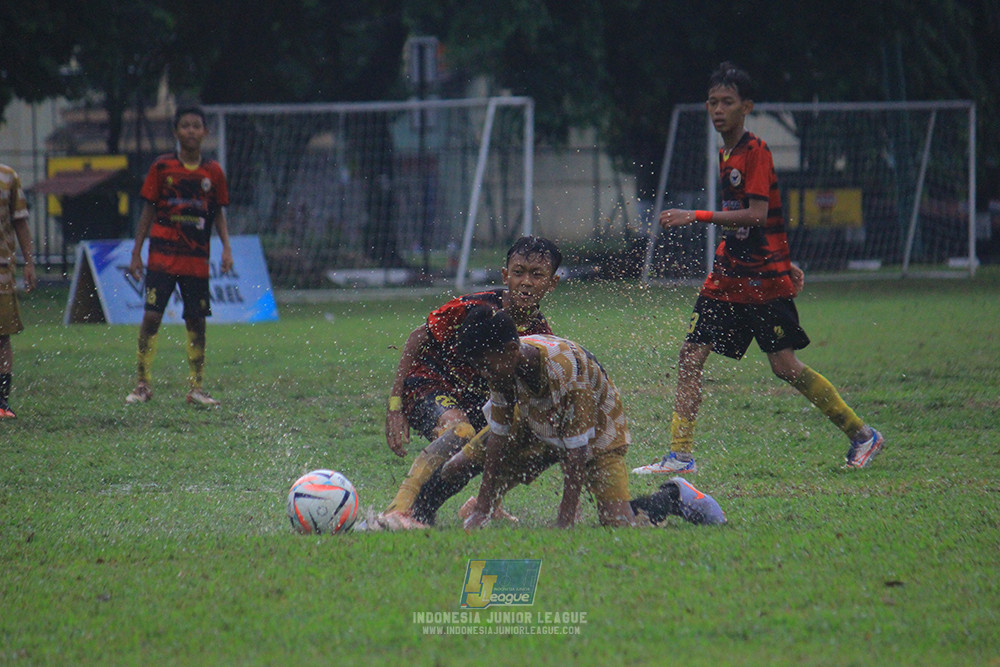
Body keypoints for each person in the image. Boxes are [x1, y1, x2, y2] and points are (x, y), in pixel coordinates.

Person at [632, 62, 884, 475]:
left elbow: (754, 215)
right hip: (730, 274)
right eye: (712, 102)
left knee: (784, 367)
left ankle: (862, 434)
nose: (717, 110)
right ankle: (680, 456)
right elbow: (761, 221)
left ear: (746, 107)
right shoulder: (726, 152)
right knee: (691, 355)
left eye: (727, 102)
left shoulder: (757, 152)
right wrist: (787, 258)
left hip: (762, 281)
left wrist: (695, 215)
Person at [387, 307, 727, 531]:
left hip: (597, 433)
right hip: (535, 418)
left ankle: (672, 495)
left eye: (485, 365)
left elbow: (575, 454)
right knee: (461, 462)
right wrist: (484, 509)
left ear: (510, 350)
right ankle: (418, 517)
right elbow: (499, 438)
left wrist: (564, 521)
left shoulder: (565, 373)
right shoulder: (502, 366)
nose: (483, 374)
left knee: (618, 523)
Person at [380, 236, 561, 525]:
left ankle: (485, 504)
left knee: (511, 435)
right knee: (460, 431)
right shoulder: (475, 306)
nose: (526, 282)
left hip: (478, 402)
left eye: (537, 275)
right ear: (506, 275)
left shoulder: (542, 336)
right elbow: (416, 338)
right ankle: (398, 508)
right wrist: (395, 405)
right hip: (430, 383)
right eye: (518, 272)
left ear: (552, 283)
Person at [126, 105, 233, 407]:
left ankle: (196, 388)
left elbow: (218, 214)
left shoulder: (213, 172)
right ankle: (143, 384)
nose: (191, 131)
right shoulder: (162, 168)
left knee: (196, 321)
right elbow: (147, 210)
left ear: (205, 132)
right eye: (185, 126)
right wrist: (136, 253)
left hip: (196, 260)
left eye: (196, 126)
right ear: (176, 132)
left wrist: (226, 247)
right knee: (151, 317)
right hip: (162, 257)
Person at [0, 164, 36, 419]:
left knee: (2, 337)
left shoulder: (8, 177)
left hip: (1, 272)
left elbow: (20, 221)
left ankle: (2, 401)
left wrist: (30, 262)